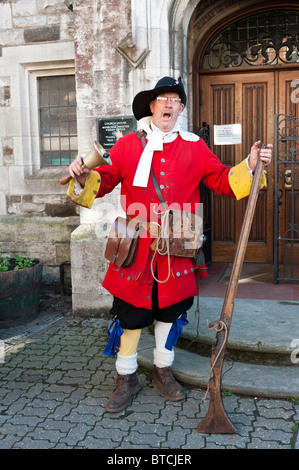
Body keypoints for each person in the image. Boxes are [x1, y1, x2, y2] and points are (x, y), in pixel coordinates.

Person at [67, 76, 272, 413]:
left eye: (175, 100)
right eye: (162, 98)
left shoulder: (195, 146)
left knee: (170, 311)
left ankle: (163, 370)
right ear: (152, 106)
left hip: (177, 244)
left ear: (180, 108)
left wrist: (250, 165)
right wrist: (81, 176)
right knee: (131, 315)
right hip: (135, 245)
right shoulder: (127, 145)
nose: (168, 104)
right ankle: (126, 376)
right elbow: (102, 182)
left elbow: (222, 180)